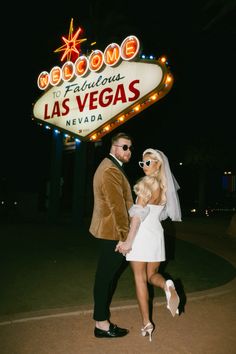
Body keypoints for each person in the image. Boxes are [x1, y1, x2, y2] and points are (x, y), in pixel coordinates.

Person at [115, 148, 182, 342]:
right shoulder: (164, 187)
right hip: (157, 235)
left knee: (139, 279)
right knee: (152, 275)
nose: (144, 166)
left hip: (142, 235)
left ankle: (146, 323)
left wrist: (128, 241)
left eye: (148, 163)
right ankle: (167, 286)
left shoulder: (146, 184)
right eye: (142, 163)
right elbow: (160, 215)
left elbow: (137, 216)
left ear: (158, 164)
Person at [89, 132, 134, 338]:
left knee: (105, 276)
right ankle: (102, 324)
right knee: (105, 277)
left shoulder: (111, 167)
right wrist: (125, 237)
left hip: (110, 231)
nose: (129, 151)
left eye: (130, 147)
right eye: (124, 147)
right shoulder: (110, 170)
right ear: (113, 147)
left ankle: (101, 321)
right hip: (113, 232)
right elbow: (118, 207)